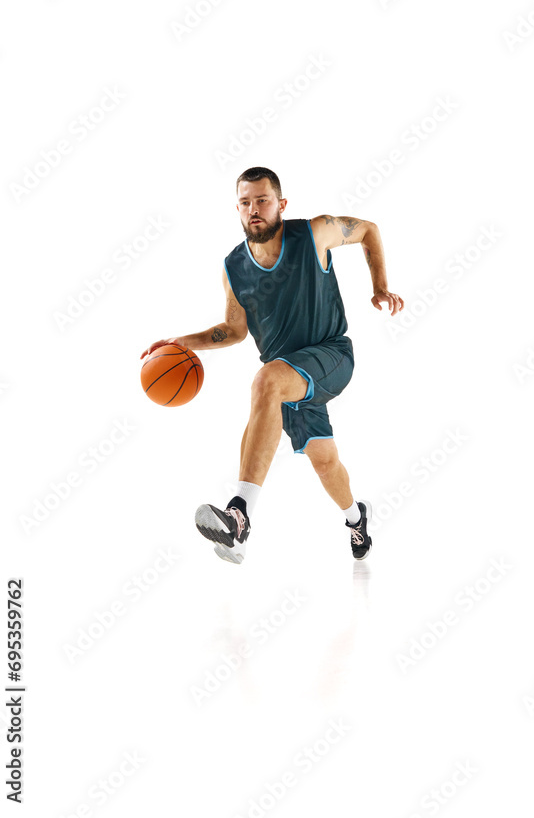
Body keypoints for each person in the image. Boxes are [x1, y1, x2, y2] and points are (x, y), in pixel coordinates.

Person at [140, 166, 404, 564]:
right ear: (238, 209)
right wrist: (184, 342)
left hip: (330, 354)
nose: (254, 209)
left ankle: (239, 515)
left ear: (281, 204)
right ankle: (356, 519)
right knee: (325, 462)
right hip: (289, 377)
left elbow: (367, 229)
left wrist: (380, 286)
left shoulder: (314, 233)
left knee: (265, 380)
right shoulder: (234, 268)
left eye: (262, 200)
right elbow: (233, 330)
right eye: (245, 203)